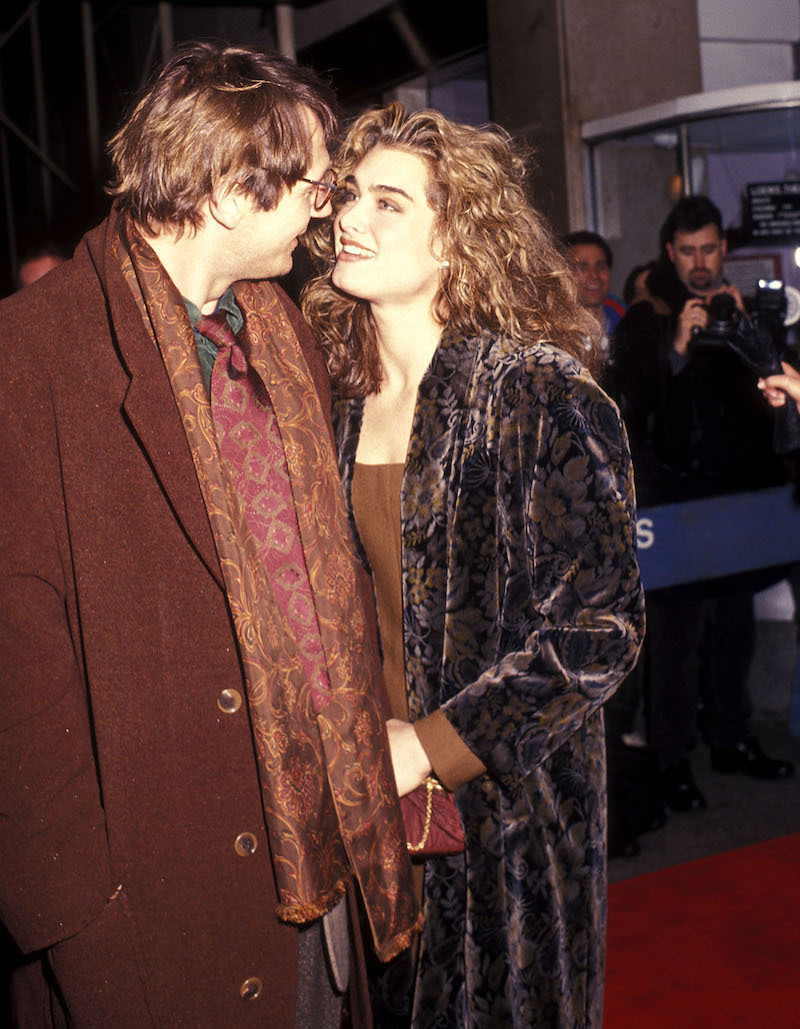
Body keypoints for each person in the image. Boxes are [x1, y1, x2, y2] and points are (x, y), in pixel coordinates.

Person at [0, 43, 420, 1028]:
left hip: (320, 867)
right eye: (313, 191)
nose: (323, 219)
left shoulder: (277, 333)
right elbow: (18, 679)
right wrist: (78, 925)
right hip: (156, 905)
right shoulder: (31, 358)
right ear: (234, 188)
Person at [302, 103, 645, 1029]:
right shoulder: (328, 403)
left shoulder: (534, 390)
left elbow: (597, 631)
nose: (350, 220)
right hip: (371, 822)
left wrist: (429, 745)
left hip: (513, 835)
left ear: (455, 235)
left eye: (389, 203)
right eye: (345, 197)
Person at [613, 195, 793, 814]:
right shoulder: (649, 317)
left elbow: (774, 399)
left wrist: (752, 337)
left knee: (735, 631)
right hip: (676, 504)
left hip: (739, 501)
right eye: (687, 250)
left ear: (724, 250)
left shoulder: (743, 312)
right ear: (670, 253)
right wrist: (681, 348)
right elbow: (633, 407)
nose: (698, 261)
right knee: (676, 641)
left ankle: (731, 737)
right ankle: (670, 759)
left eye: (709, 248)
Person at [563, 229, 626, 338]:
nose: (594, 275)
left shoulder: (624, 316)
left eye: (601, 267)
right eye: (581, 268)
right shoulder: (550, 327)